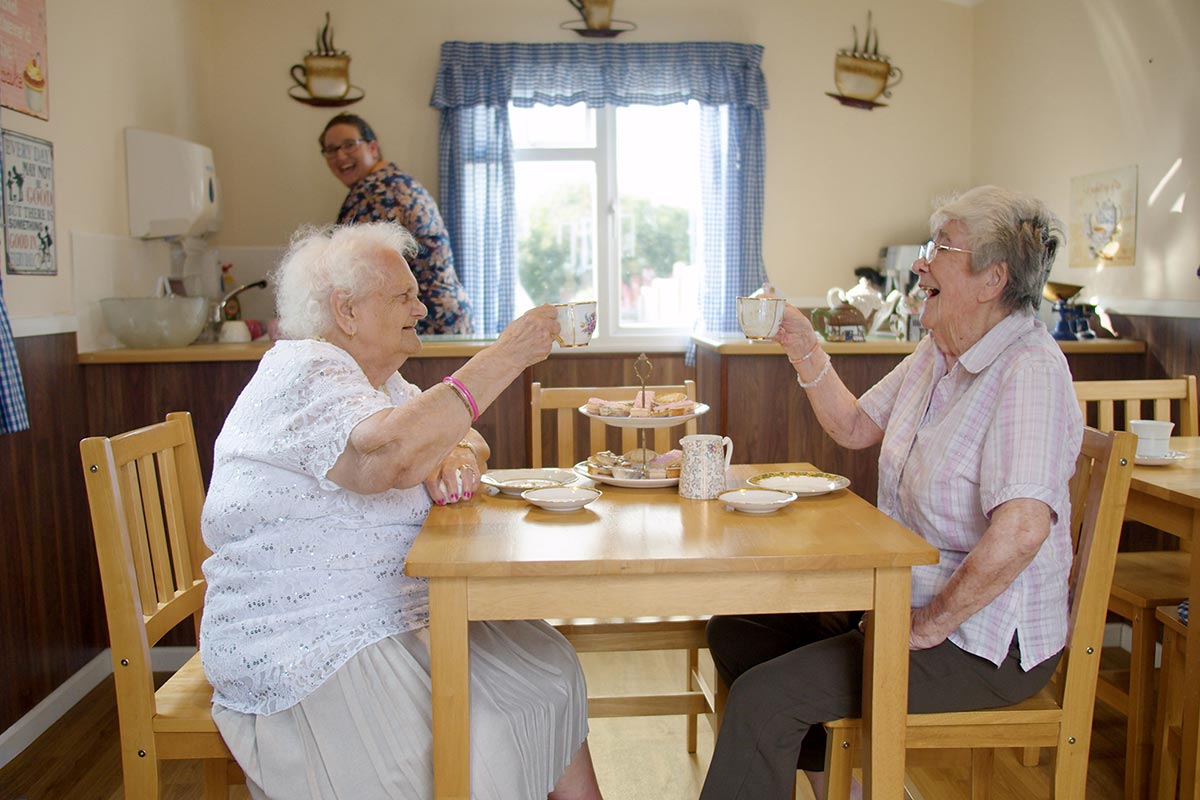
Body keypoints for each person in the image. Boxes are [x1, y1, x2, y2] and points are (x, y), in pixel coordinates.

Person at [700, 186, 1083, 800]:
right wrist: (803, 345)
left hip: (981, 642)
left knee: (765, 701)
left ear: (993, 278)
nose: (921, 261)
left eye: (941, 246)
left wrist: (926, 625)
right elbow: (855, 427)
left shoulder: (1027, 370)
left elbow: (1022, 531)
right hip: (896, 599)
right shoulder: (941, 350)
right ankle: (846, 787)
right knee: (738, 631)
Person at [200, 222, 602, 800]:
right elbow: (384, 459)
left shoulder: (378, 385)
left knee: (550, 670)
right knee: (482, 730)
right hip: (311, 634)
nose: (422, 305)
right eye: (403, 296)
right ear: (346, 310)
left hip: (394, 606)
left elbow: (458, 437)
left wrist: (455, 448)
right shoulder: (303, 371)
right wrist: (507, 355)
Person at [320, 113, 473, 335]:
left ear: (372, 147)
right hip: (439, 316)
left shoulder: (377, 191)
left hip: (426, 319)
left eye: (349, 145)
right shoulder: (393, 181)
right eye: (331, 150)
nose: (340, 155)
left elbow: (355, 267)